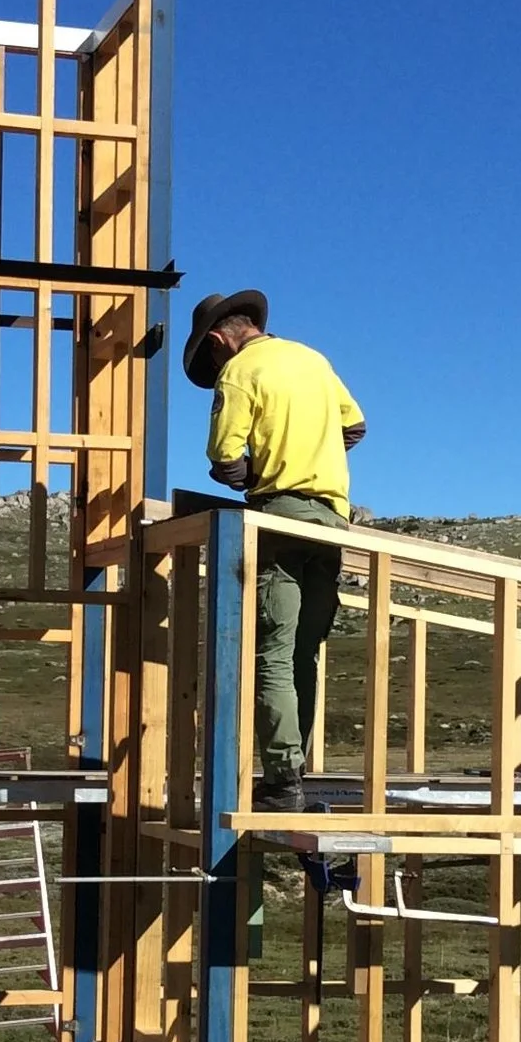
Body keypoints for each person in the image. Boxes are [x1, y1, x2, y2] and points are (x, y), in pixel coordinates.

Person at [183, 288, 366, 813]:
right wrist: (310, 453)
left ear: (217, 340)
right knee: (305, 651)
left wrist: (261, 474)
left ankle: (283, 780)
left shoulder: (240, 371)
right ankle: (295, 773)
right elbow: (354, 425)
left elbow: (223, 457)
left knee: (273, 655)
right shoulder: (312, 359)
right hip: (332, 522)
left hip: (281, 518)